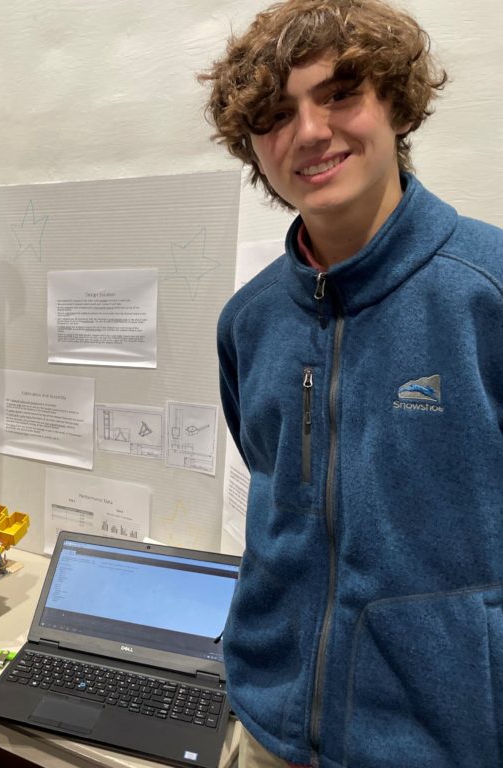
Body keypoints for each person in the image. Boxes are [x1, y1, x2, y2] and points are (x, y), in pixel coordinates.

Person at [201, 1, 503, 766]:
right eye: (274, 114)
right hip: (266, 732)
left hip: (444, 743)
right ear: (255, 150)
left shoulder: (486, 293)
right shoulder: (249, 322)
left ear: (395, 104)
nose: (308, 131)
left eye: (339, 94)